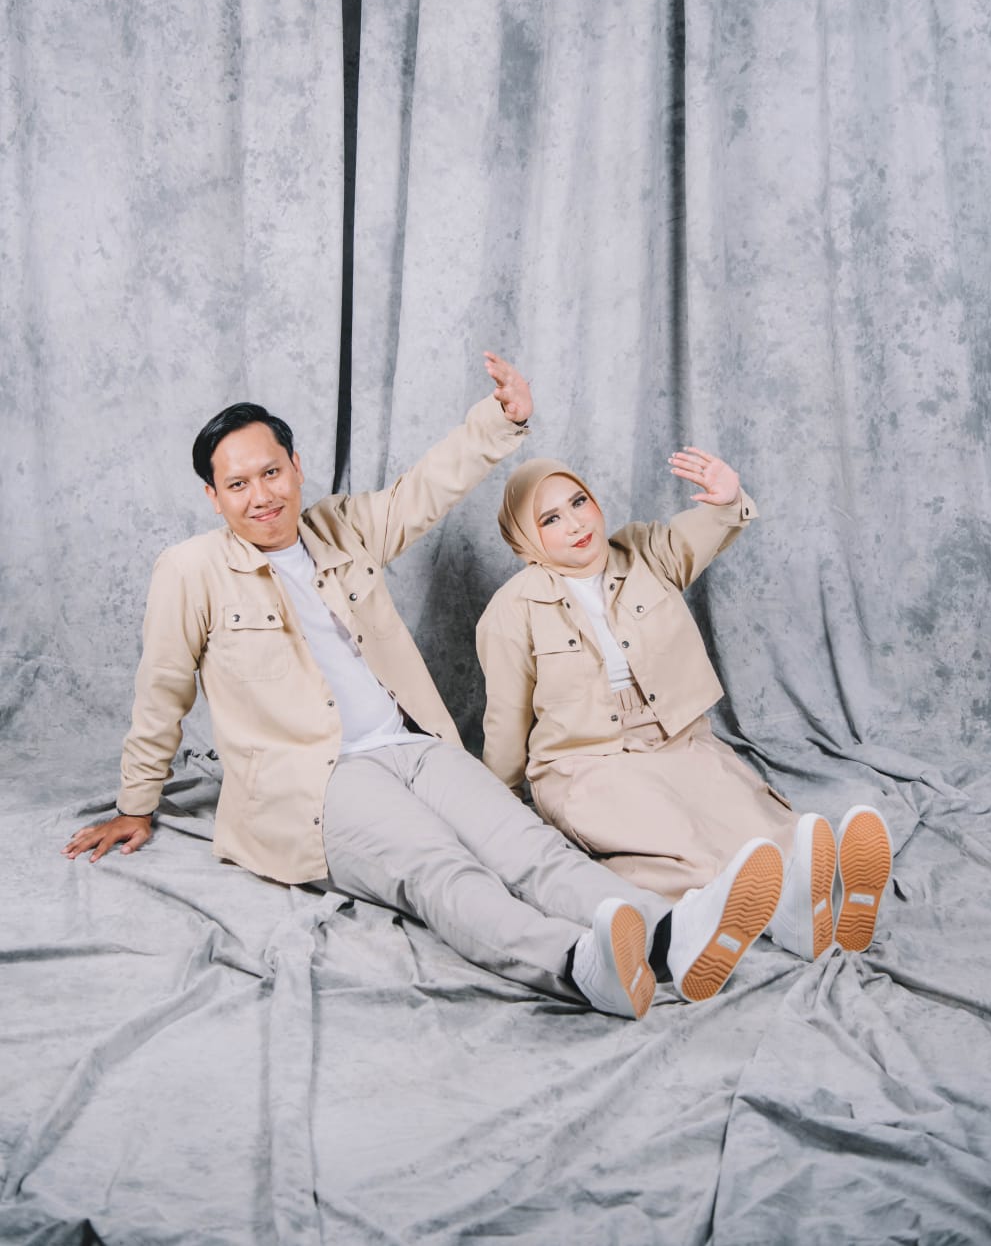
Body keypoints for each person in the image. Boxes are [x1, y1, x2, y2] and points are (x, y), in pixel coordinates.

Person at [62, 358, 784, 1019]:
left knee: (530, 848)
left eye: (272, 472)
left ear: (296, 467)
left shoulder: (342, 529)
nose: (261, 495)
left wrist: (500, 420)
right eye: (238, 484)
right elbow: (162, 689)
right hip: (318, 780)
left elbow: (427, 488)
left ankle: (669, 935)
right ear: (214, 496)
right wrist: (136, 803)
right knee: (441, 869)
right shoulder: (189, 570)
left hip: (412, 746)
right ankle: (576, 964)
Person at [476, 446, 894, 963]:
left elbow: (705, 528)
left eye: (579, 502)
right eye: (550, 519)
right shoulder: (510, 611)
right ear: (524, 538)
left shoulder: (645, 552)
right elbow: (505, 717)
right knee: (673, 832)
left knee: (751, 821)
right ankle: (764, 911)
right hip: (581, 760)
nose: (576, 524)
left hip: (674, 736)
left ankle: (816, 894)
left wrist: (726, 499)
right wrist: (496, 810)